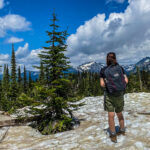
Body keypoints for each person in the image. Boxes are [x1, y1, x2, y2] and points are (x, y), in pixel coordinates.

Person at [100, 52, 128, 143]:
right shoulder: (120, 68)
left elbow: (102, 84)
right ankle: (122, 130)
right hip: (120, 94)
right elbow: (126, 81)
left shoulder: (103, 70)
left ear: (107, 59)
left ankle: (113, 135)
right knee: (119, 113)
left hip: (109, 95)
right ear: (115, 58)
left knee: (111, 115)